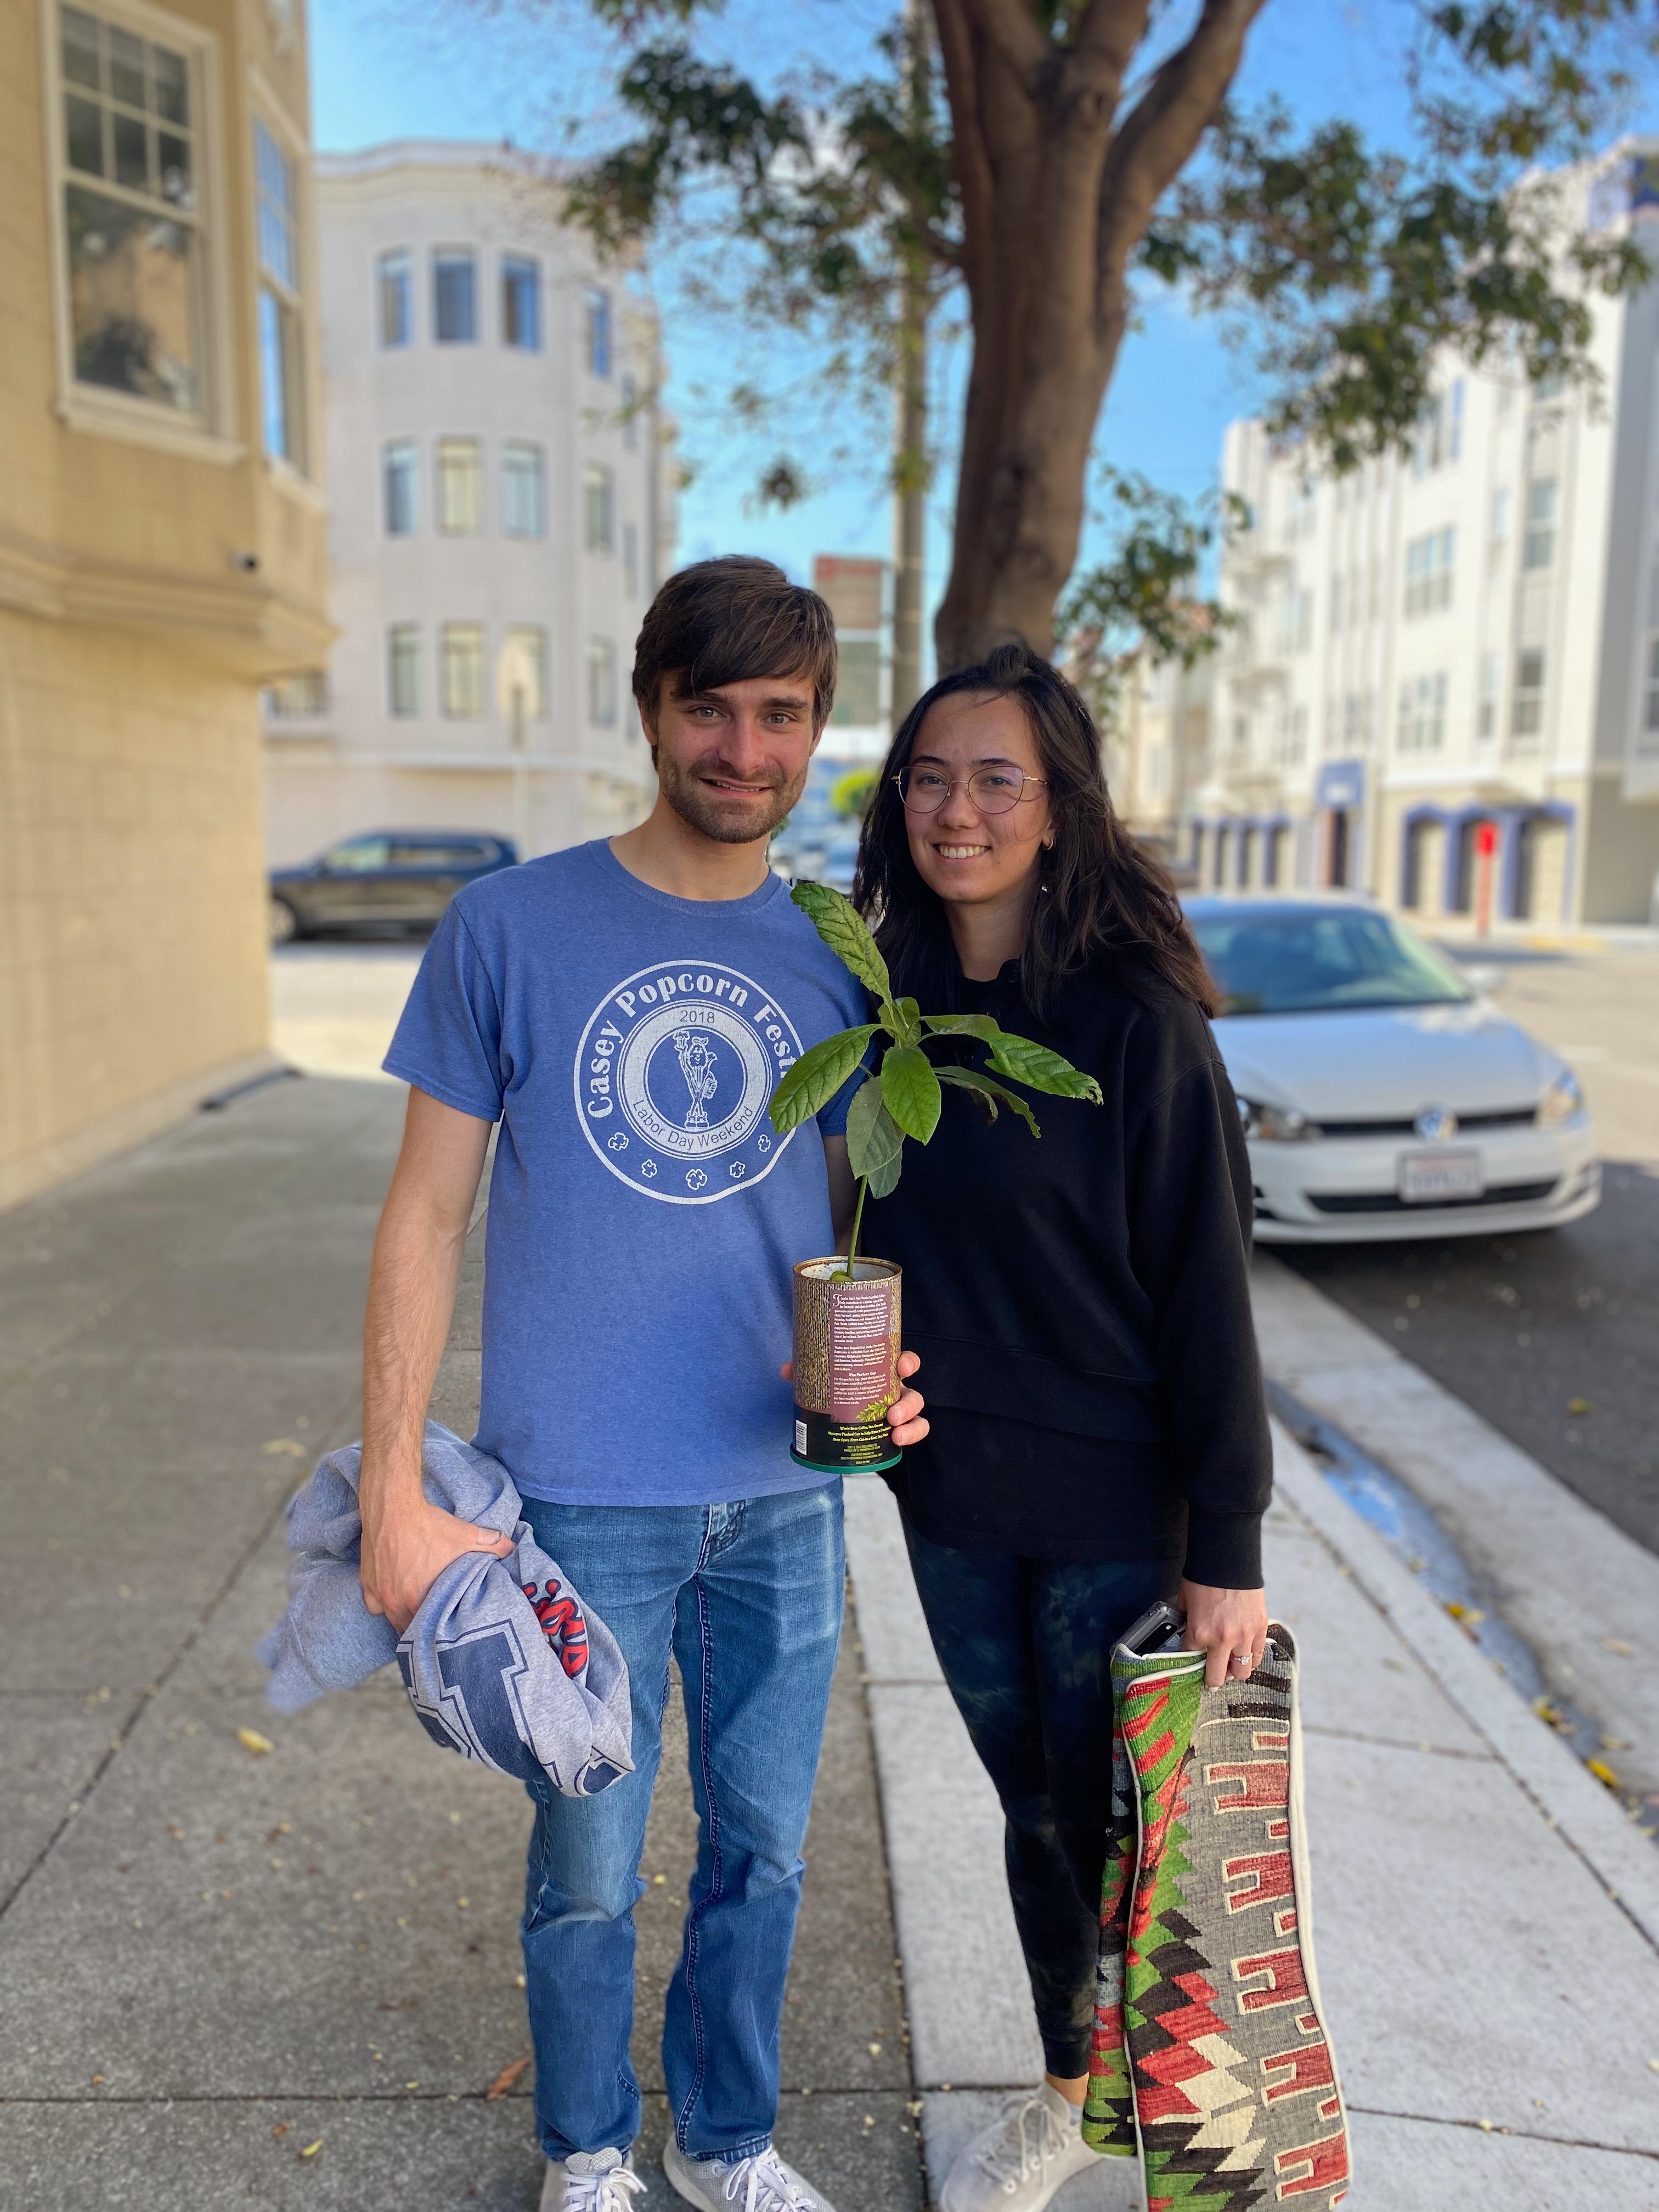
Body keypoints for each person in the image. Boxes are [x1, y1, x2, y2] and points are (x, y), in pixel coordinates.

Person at [357, 556, 928, 2212]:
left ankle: (728, 2142)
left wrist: (889, 1375)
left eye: (781, 716)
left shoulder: (844, 955)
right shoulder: (509, 926)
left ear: (815, 732)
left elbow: (856, 1211)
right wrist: (394, 1490)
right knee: (590, 1865)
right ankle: (589, 2151)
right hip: (580, 1496)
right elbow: (423, 1214)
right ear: (650, 708)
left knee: (764, 1851)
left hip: (780, 1493)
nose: (744, 750)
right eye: (712, 709)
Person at [853, 641, 1272, 2212]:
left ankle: (1188, 2106)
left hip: (1116, 1504)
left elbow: (1210, 1293)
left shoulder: (1137, 1021)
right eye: (929, 774)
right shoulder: (884, 1001)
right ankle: (1064, 2088)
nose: (955, 808)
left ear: (1057, 806)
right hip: (948, 1492)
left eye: (995, 778)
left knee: (1142, 1832)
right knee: (1034, 1810)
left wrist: (1227, 1547)